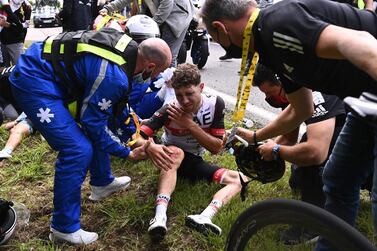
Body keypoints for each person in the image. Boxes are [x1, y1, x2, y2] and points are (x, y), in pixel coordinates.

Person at [200, 0, 377, 250]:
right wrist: (254, 137)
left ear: (220, 28)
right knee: (337, 179)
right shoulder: (269, 47)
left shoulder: (276, 23)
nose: (217, 43)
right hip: (365, 101)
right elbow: (302, 109)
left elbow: (363, 44)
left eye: (213, 38)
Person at [9, 28, 172, 245]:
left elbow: (116, 108)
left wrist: (134, 134)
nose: (154, 78)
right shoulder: (114, 76)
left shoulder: (127, 50)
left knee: (93, 129)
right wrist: (127, 153)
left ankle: (101, 182)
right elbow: (94, 123)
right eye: (156, 73)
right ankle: (63, 228)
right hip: (34, 80)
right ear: (150, 66)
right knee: (77, 149)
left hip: (49, 72)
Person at [138, 63, 249, 239]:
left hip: (194, 160)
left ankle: (205, 217)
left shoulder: (214, 104)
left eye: (190, 93)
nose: (185, 101)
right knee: (176, 152)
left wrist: (189, 124)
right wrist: (151, 146)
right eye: (179, 95)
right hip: (172, 157)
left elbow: (215, 148)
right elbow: (139, 136)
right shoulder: (170, 109)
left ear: (201, 87)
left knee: (240, 178)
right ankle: (159, 217)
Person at [254, 63, 346, 244]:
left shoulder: (316, 93)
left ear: (284, 83)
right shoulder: (292, 94)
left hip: (361, 138)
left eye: (270, 93)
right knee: (297, 179)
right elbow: (288, 137)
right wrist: (259, 156)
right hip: (339, 131)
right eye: (265, 95)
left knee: (310, 162)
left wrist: (275, 149)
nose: (268, 98)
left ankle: (312, 227)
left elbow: (315, 152)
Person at [100, 0, 195, 66]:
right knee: (154, 52)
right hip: (161, 14)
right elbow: (124, 1)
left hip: (177, 15)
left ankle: (168, 87)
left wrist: (152, 25)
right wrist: (108, 9)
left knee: (168, 55)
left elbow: (166, 6)